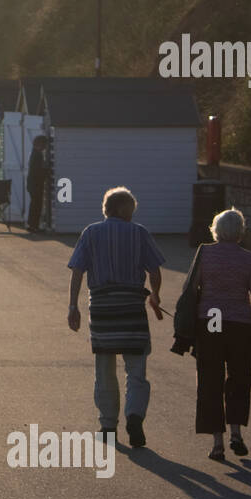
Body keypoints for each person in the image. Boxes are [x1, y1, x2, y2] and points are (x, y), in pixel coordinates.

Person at [67, 186, 166, 448]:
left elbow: (77, 271)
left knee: (104, 370)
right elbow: (154, 270)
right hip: (132, 309)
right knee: (136, 371)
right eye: (131, 209)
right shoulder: (139, 233)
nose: (133, 214)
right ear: (122, 209)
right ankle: (134, 416)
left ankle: (108, 425)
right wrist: (155, 295)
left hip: (102, 310)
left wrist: (72, 306)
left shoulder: (91, 232)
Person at [187, 208, 251, 461]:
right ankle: (236, 433)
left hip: (210, 324)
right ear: (240, 232)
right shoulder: (248, 258)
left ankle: (217, 444)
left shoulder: (205, 254)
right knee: (239, 379)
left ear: (216, 230)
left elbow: (190, 288)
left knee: (210, 380)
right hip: (240, 325)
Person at [27, 136, 50, 232]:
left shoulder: (34, 153)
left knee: (34, 204)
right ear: (39, 144)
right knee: (37, 205)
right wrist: (46, 171)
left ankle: (32, 225)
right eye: (44, 144)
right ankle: (34, 226)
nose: (45, 147)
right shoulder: (37, 155)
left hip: (32, 184)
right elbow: (37, 171)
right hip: (35, 184)